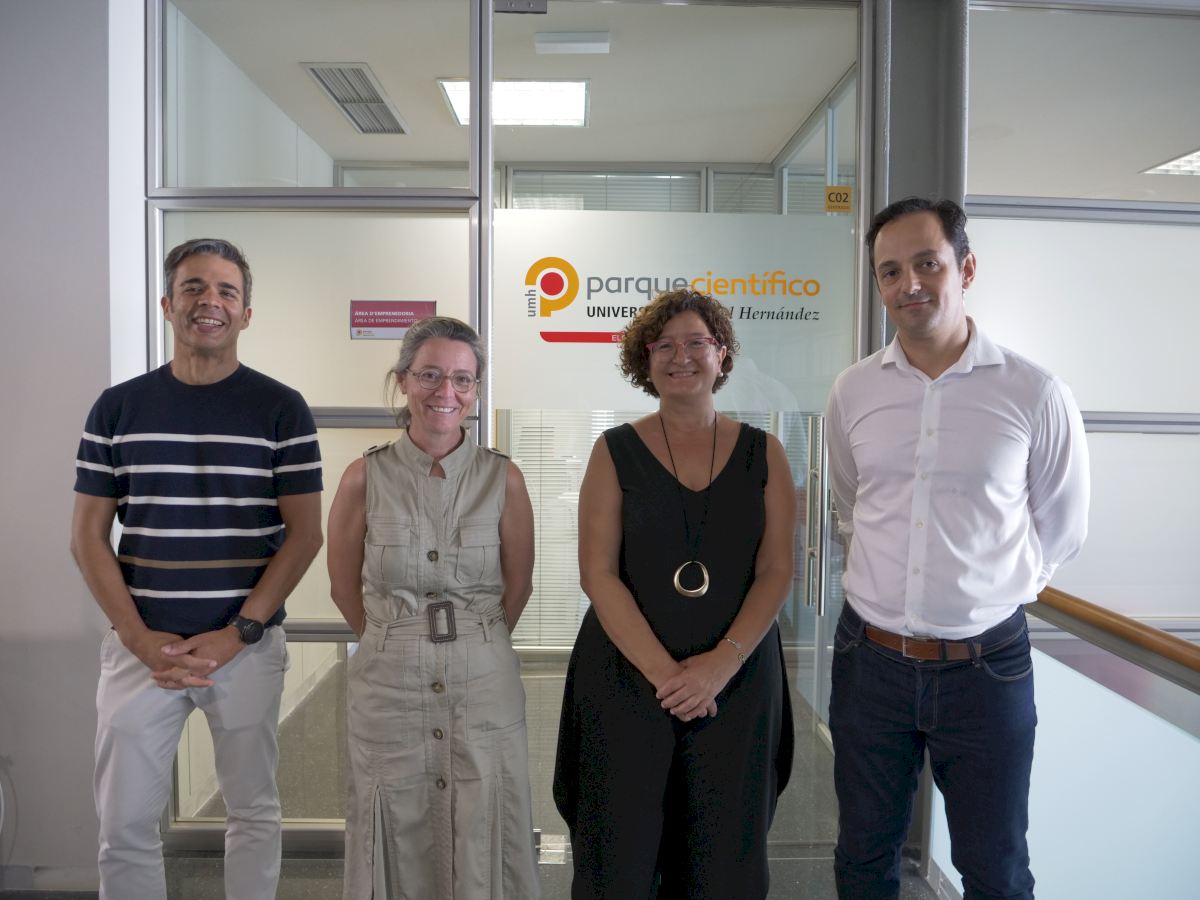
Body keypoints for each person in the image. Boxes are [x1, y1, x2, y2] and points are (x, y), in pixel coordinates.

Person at [824, 197, 1090, 900]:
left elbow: (1062, 527)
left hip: (986, 670)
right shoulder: (853, 391)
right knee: (862, 858)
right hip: (869, 661)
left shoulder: (1034, 392)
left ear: (965, 269)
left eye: (927, 264)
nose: (908, 284)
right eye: (890, 271)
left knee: (995, 870)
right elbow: (852, 505)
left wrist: (985, 592)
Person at [70, 238, 324, 900]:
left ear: (246, 314)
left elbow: (304, 535)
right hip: (141, 651)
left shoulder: (281, 408)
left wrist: (239, 632)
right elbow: (87, 537)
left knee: (252, 812)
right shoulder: (117, 408)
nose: (210, 301)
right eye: (193, 287)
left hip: (244, 647)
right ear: (167, 304)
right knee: (123, 824)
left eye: (226, 291)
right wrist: (137, 637)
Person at [553, 289, 796, 899]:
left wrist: (719, 666)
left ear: (722, 355)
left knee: (725, 860)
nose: (680, 356)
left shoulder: (765, 453)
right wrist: (670, 676)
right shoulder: (613, 450)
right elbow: (597, 574)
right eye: (663, 345)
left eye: (696, 343)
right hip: (626, 678)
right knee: (618, 859)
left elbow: (777, 569)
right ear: (645, 360)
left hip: (736, 680)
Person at [326, 316, 540, 899]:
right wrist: (397, 638)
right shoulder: (363, 478)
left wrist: (472, 639)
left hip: (483, 683)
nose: (446, 391)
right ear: (403, 381)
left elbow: (516, 587)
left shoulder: (504, 479)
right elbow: (344, 588)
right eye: (430, 375)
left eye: (462, 379)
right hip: (389, 685)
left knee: (486, 813)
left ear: (475, 390)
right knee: (393, 819)